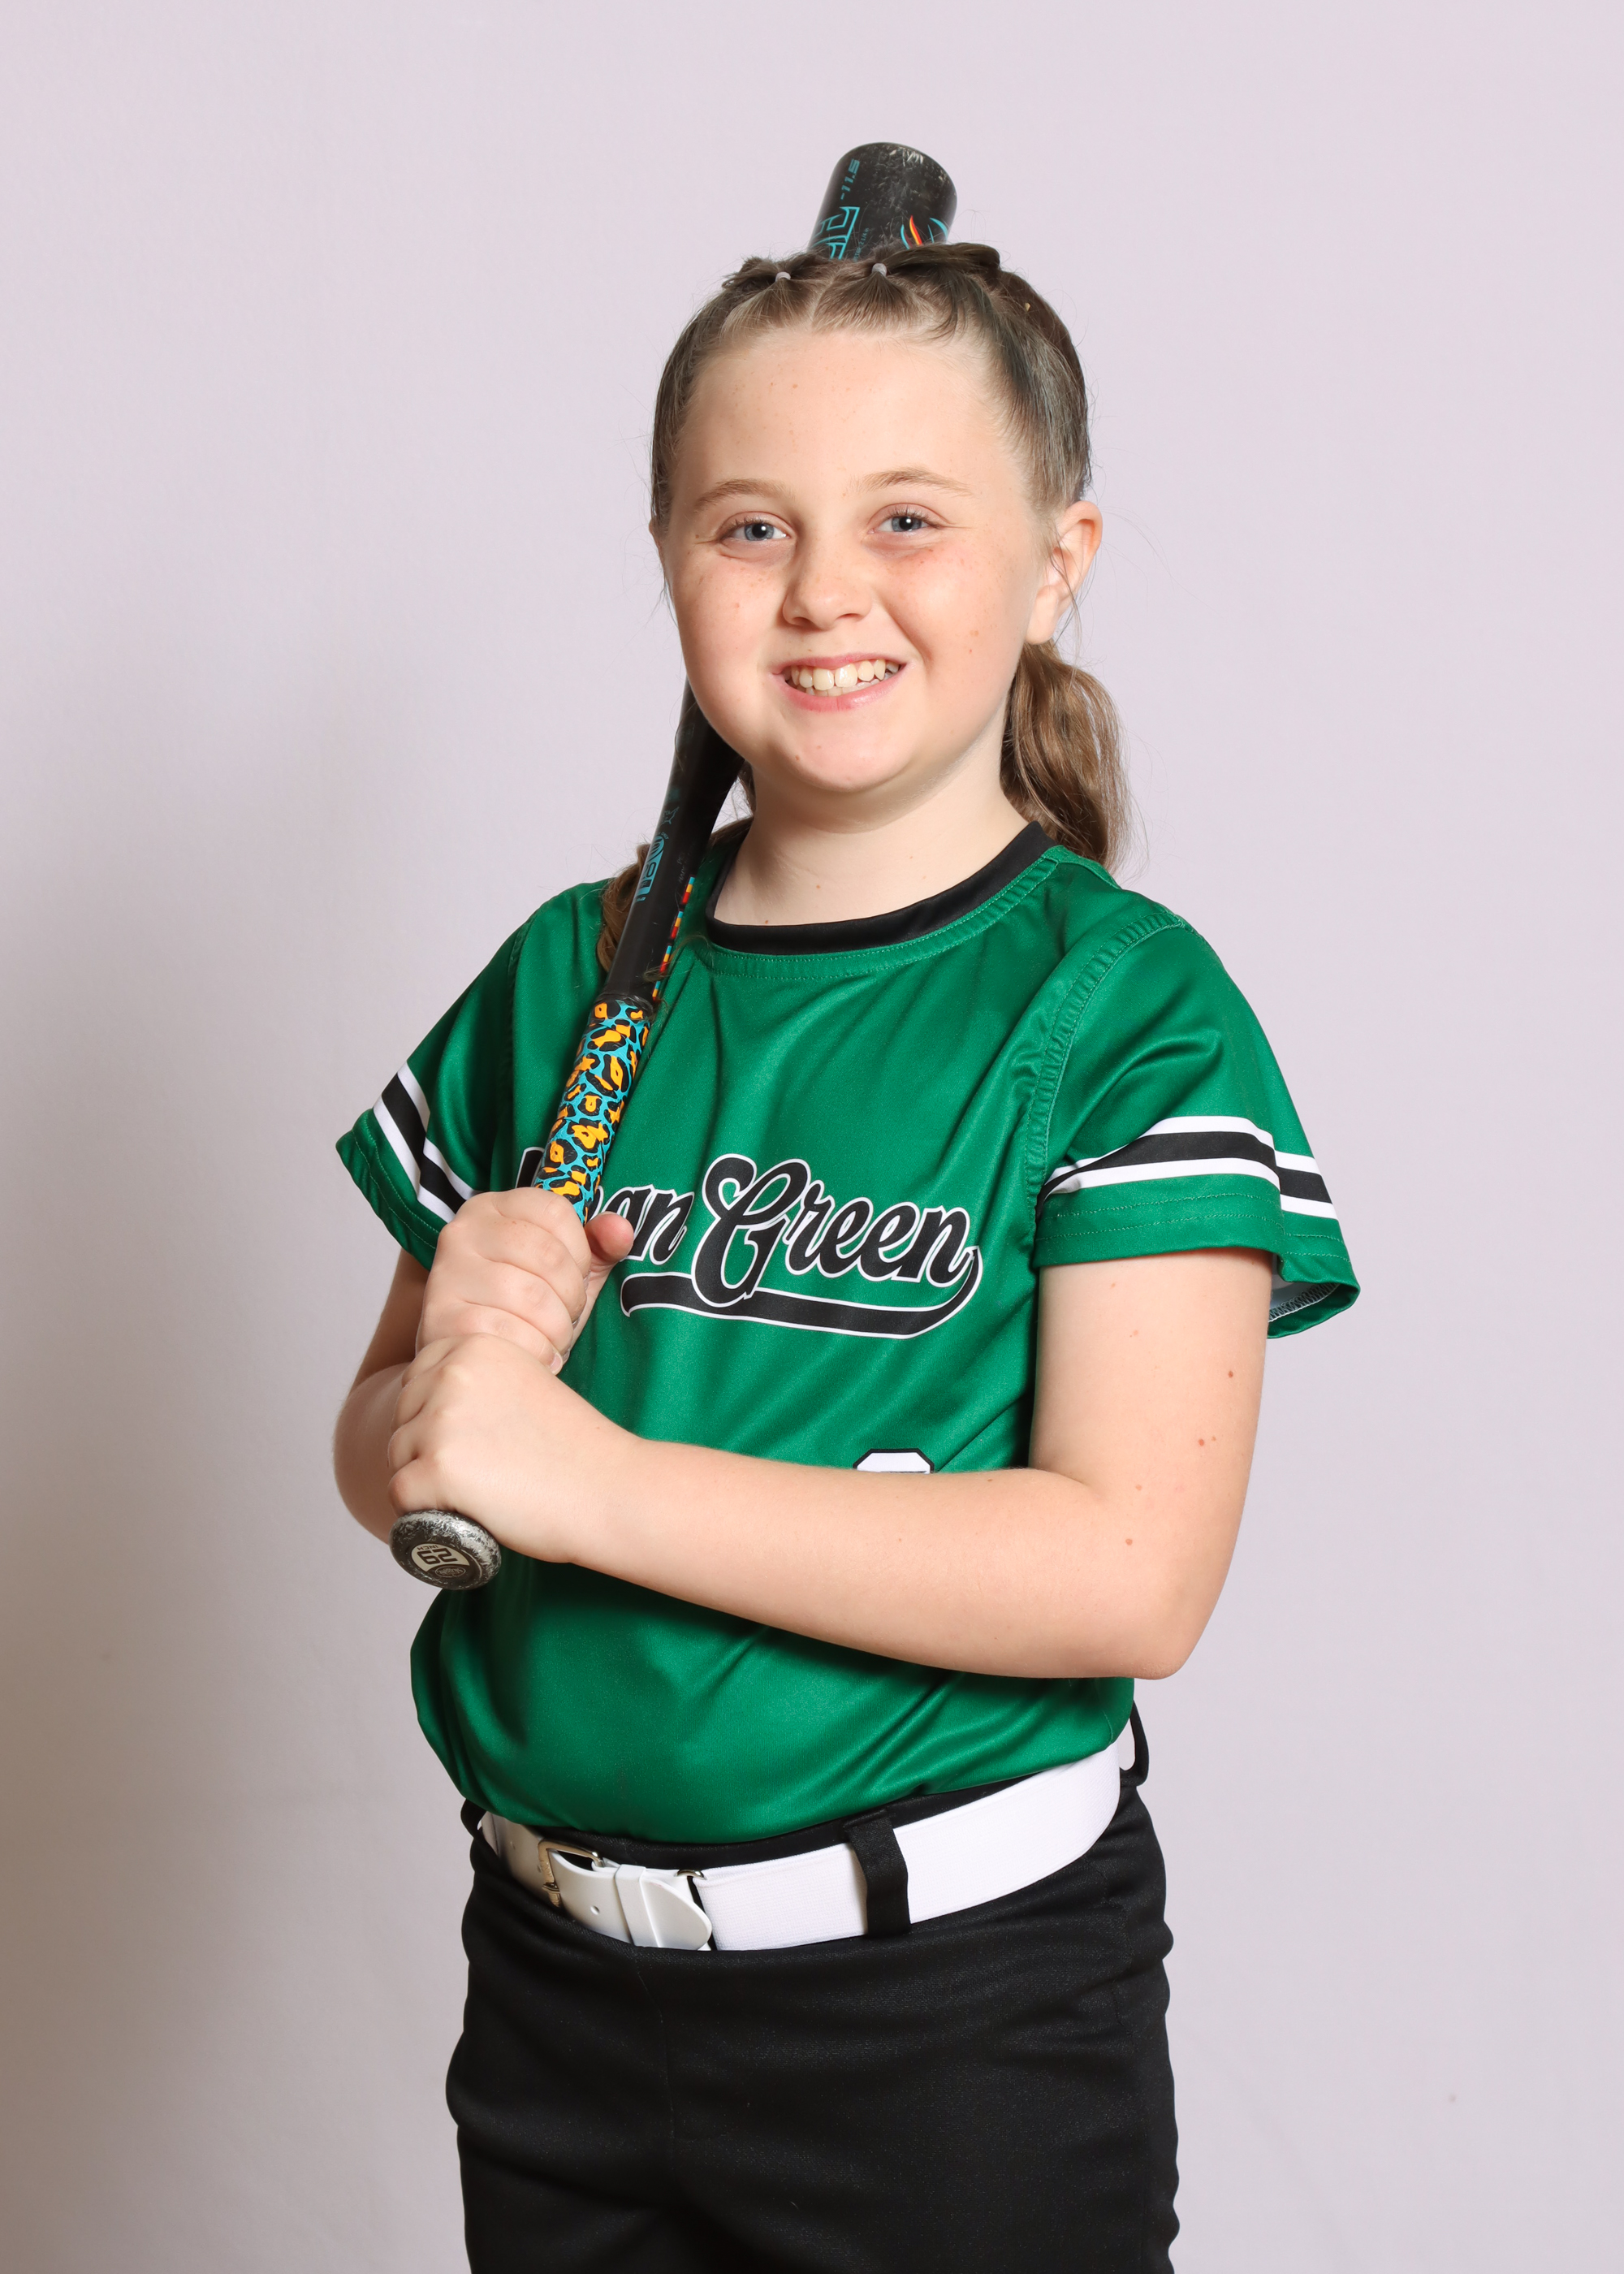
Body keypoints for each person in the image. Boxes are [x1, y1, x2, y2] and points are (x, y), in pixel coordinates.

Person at [334, 240, 1358, 2272]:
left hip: (949, 2019)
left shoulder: (1122, 1011)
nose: (821, 590)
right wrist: (445, 1383)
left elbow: (1128, 1571)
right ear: (667, 556)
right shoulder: (565, 977)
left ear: (1056, 562)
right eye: (751, 525)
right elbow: (389, 1455)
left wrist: (585, 1478)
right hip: (553, 1990)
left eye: (906, 519)